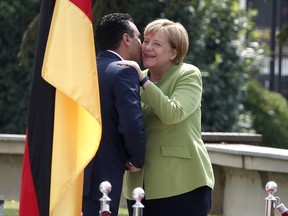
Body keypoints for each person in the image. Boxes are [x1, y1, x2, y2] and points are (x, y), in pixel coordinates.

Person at [120, 19, 215, 216]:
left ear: (174, 52)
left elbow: (173, 113)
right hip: (138, 186)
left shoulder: (187, 74)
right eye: (146, 41)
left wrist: (144, 82)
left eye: (156, 44)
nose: (147, 48)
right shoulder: (134, 76)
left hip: (183, 184)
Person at [82, 13, 146, 216]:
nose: (142, 44)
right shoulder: (123, 72)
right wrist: (137, 158)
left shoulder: (84, 70)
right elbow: (131, 124)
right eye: (138, 37)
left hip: (74, 172)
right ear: (126, 39)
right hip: (103, 177)